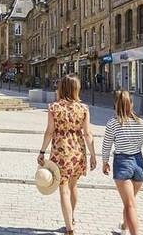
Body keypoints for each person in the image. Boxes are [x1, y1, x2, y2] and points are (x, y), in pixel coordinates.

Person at [37, 75, 97, 235]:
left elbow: (49, 132)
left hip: (60, 151)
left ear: (61, 88)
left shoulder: (54, 107)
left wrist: (42, 151)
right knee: (74, 186)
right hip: (77, 151)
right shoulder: (83, 108)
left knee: (63, 189)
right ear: (76, 89)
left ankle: (69, 228)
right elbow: (88, 134)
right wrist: (93, 154)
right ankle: (72, 218)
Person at [101, 90, 143, 235]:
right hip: (139, 165)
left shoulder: (112, 123)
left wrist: (105, 162)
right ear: (131, 104)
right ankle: (124, 227)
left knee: (130, 204)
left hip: (122, 163)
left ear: (116, 105)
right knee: (130, 201)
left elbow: (106, 145)